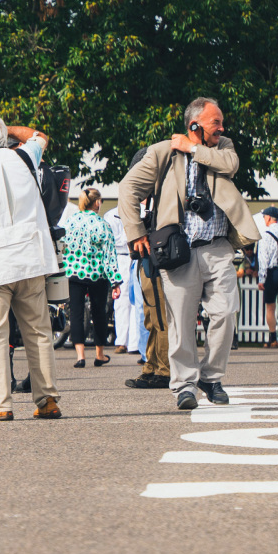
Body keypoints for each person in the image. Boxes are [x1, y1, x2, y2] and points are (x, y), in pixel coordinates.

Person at [119, 97, 260, 410]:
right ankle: (184, 386)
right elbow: (128, 189)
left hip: (218, 247)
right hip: (178, 251)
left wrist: (193, 148)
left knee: (225, 313)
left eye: (221, 122)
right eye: (216, 122)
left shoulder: (223, 146)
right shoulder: (161, 153)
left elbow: (231, 165)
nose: (222, 127)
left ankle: (211, 377)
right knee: (181, 323)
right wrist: (136, 233)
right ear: (195, 124)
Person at [0, 115, 62, 420]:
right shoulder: (23, 156)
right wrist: (7, 130)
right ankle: (47, 400)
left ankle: (0, 404)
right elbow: (41, 135)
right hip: (30, 257)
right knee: (39, 332)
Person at [64, 188, 122, 367]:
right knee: (99, 313)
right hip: (97, 274)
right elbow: (109, 255)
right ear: (97, 202)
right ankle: (99, 354)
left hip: (74, 272)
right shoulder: (102, 224)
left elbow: (64, 247)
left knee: (76, 313)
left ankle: (80, 356)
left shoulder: (71, 222)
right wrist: (115, 281)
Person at [103, 205, 141, 354]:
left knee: (136, 300)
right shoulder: (111, 215)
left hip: (134, 256)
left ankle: (134, 343)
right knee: (121, 301)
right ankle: (121, 341)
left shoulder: (137, 211)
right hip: (121, 257)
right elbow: (109, 239)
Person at [256, 206, 278, 348]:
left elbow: (263, 259)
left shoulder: (265, 235)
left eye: (264, 217)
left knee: (270, 307)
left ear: (268, 217)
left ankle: (273, 338)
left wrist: (261, 279)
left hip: (271, 272)